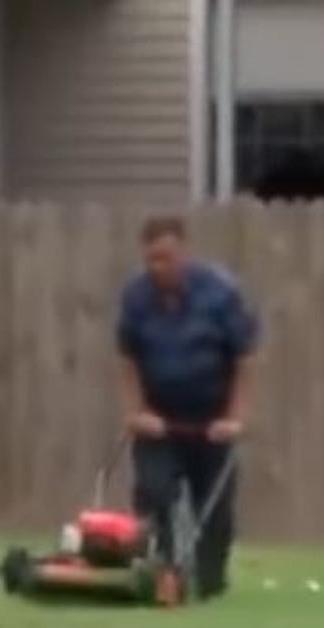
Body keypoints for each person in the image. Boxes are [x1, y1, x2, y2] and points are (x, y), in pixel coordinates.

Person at [116, 215, 259, 600]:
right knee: (154, 491)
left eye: (165, 258)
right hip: (159, 420)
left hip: (211, 418)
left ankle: (210, 584)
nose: (157, 268)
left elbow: (244, 359)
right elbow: (128, 358)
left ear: (184, 252)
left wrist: (236, 418)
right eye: (151, 260)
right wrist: (136, 412)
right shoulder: (135, 297)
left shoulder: (221, 294)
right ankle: (160, 575)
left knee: (213, 508)